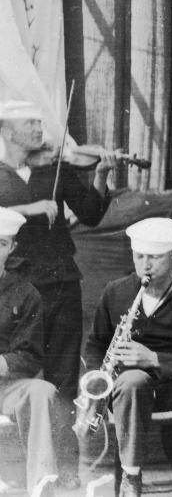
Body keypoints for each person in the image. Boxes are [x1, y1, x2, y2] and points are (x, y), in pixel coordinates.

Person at [0, 99, 118, 484]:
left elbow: (90, 212)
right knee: (22, 374)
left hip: (62, 283)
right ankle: (21, 470)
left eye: (39, 121)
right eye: (30, 122)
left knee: (65, 376)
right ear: (7, 130)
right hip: (16, 289)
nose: (40, 128)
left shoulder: (56, 169)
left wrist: (101, 177)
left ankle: (65, 471)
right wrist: (35, 207)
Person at [85, 217, 172, 497]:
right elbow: (95, 345)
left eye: (155, 257)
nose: (145, 265)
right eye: (139, 256)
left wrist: (155, 359)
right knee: (132, 381)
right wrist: (95, 382)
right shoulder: (116, 291)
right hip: (131, 390)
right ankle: (131, 476)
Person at [0, 207, 60, 496]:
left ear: (12, 247)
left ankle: (41, 482)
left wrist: (1, 363)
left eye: (1, 243)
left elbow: (31, 355)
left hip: (6, 386)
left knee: (41, 390)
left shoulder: (25, 293)